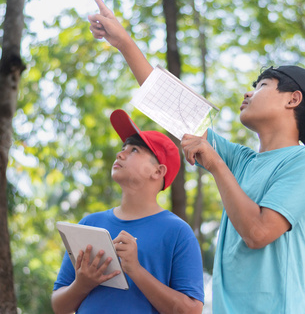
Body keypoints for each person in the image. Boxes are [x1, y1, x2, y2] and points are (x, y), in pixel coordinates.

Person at [87, 0, 305, 313]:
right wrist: (122, 42)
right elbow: (169, 106)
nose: (249, 93)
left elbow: (258, 232)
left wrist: (217, 165)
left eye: (262, 85)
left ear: (292, 99)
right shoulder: (242, 161)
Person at [51, 109, 204, 314]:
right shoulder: (89, 223)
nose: (120, 153)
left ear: (158, 171)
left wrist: (136, 270)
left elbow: (191, 311)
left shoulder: (178, 232)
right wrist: (82, 284)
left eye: (134, 150)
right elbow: (59, 306)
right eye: (124, 147)